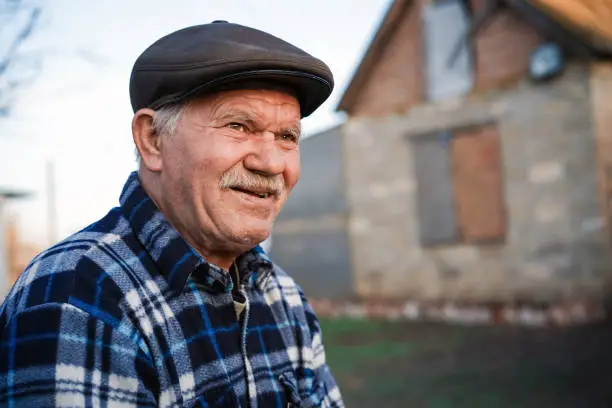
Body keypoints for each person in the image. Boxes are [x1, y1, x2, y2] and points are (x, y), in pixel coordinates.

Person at [0, 21, 344, 408]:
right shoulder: (79, 297)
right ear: (152, 139)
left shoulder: (283, 296)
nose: (270, 162)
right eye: (238, 125)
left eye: (287, 137)